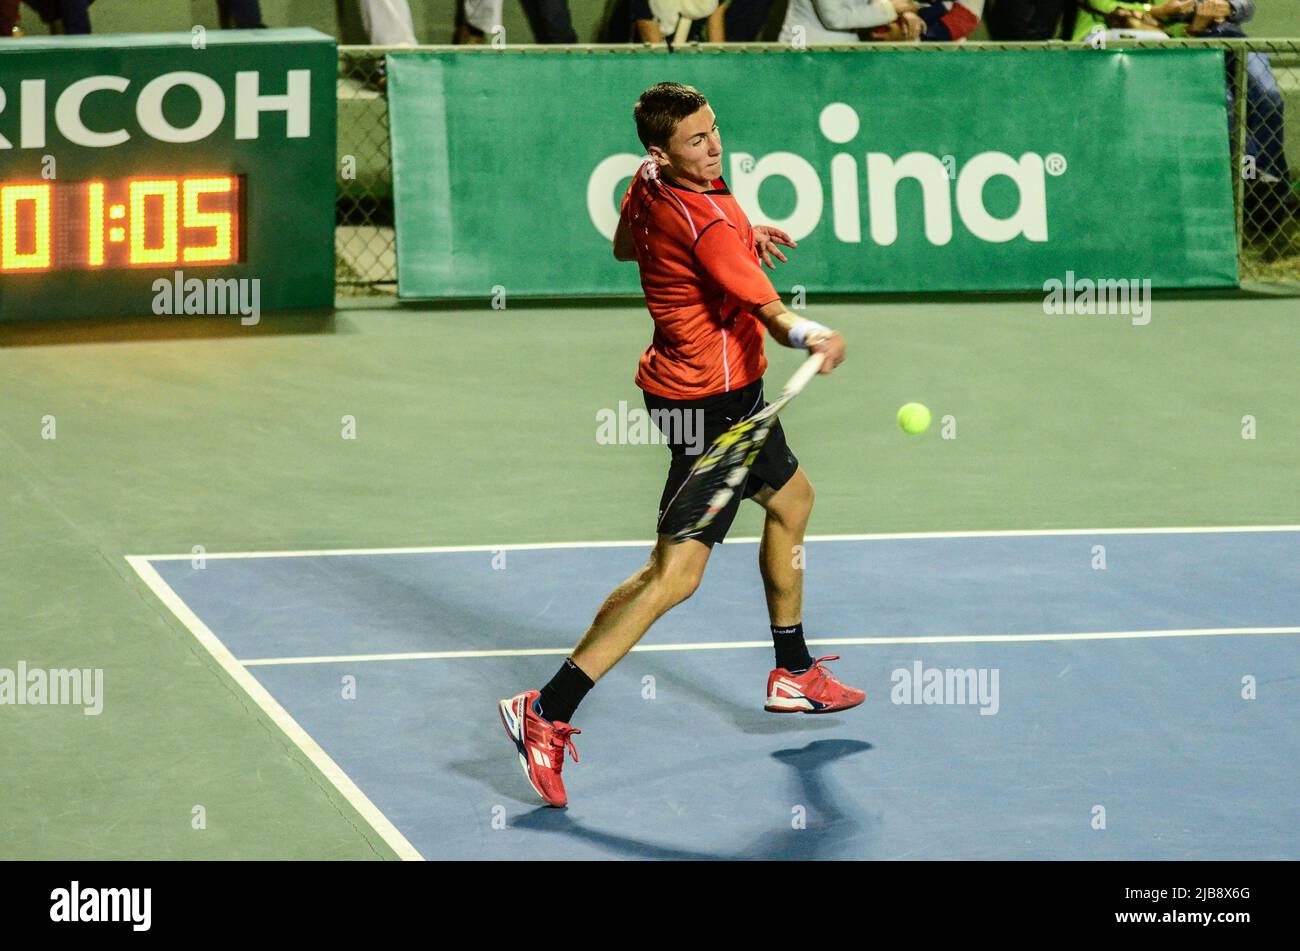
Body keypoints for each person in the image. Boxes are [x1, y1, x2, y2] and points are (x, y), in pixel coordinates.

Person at [498, 82, 862, 809]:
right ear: (661, 150)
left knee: (793, 501)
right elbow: (772, 312)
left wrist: (732, 239)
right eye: (697, 142)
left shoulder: (650, 185)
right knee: (674, 576)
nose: (714, 147)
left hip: (705, 393)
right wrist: (816, 334)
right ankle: (547, 709)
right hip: (714, 407)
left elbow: (625, 244)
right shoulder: (708, 219)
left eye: (715, 131)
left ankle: (791, 670)